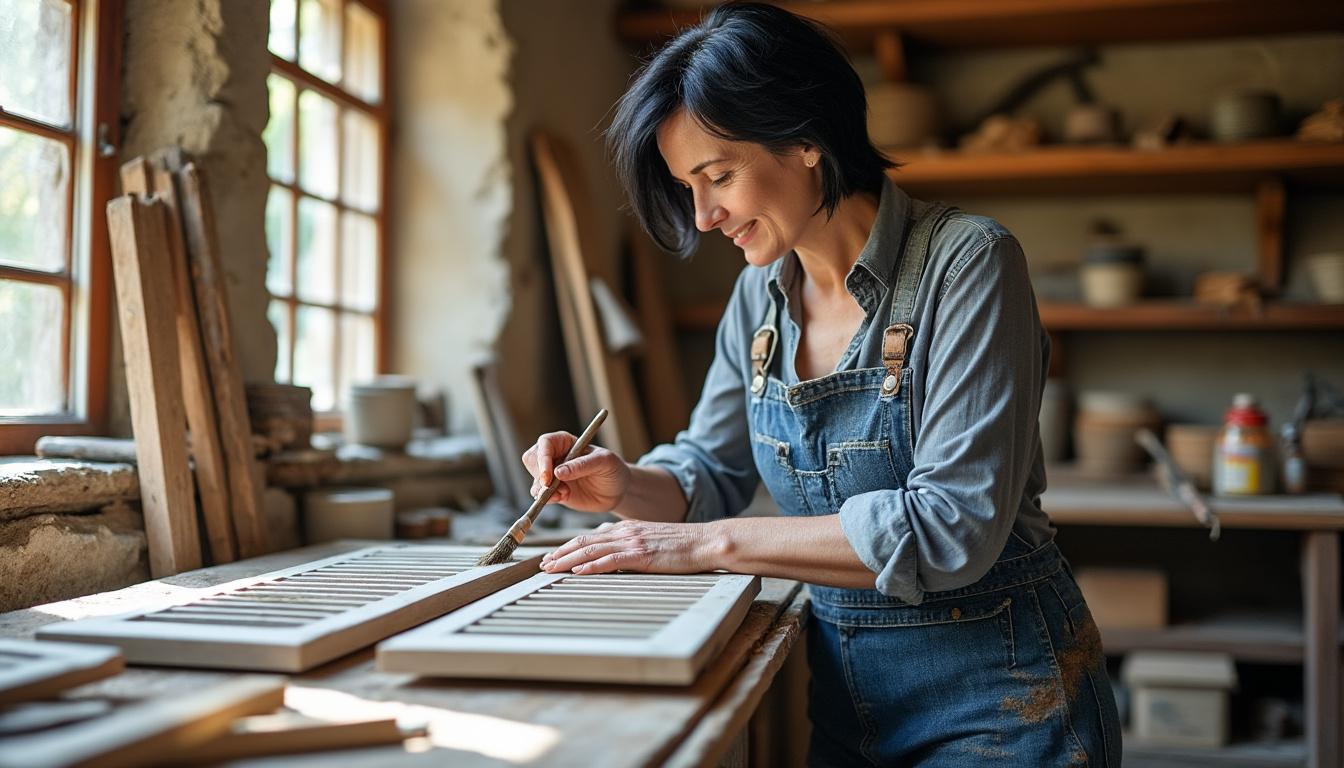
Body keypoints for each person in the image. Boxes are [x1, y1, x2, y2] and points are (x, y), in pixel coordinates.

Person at [524, 3, 1121, 765]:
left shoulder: (968, 263)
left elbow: (953, 526)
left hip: (1004, 693)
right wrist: (621, 487)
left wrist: (703, 545)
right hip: (847, 698)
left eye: (718, 177)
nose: (704, 216)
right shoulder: (759, 299)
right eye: (688, 188)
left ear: (805, 138)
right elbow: (710, 471)